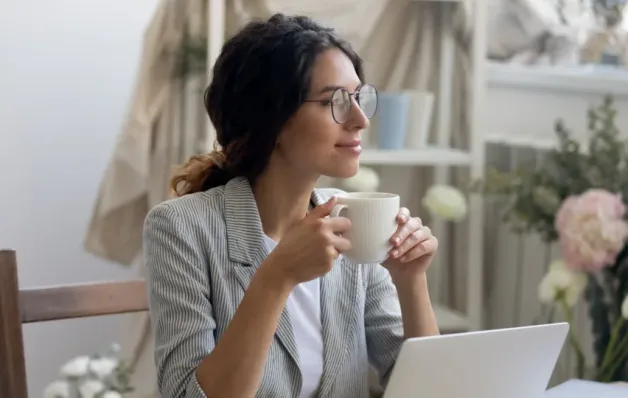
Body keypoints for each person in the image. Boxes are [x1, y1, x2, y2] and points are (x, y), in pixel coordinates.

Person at [143, 13, 440, 398]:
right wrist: (276, 276)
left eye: (358, 97)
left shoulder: (354, 225)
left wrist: (411, 281)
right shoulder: (180, 228)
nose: (361, 120)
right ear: (273, 117)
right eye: (335, 101)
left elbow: (429, 390)